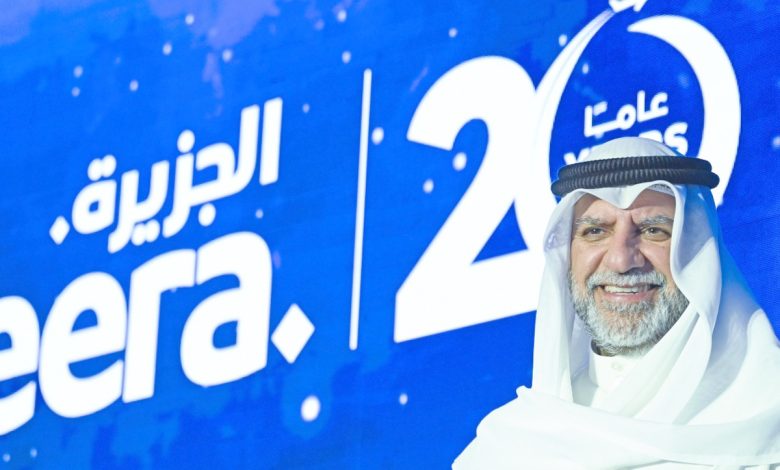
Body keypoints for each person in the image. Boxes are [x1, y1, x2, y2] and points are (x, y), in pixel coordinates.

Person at [454, 137, 780, 468]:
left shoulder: (766, 415)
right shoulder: (503, 450)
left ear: (700, 252)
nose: (621, 260)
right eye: (595, 232)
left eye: (653, 230)